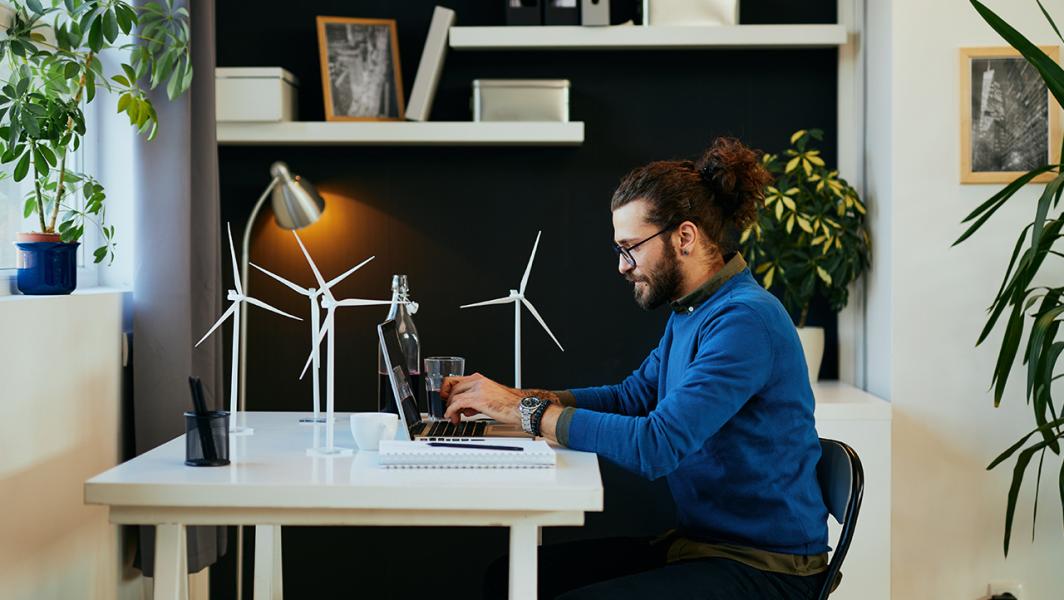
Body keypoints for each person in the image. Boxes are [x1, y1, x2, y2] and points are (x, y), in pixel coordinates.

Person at [441, 137, 830, 599]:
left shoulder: (744, 321)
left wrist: (522, 413)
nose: (622, 266)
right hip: (702, 545)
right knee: (509, 578)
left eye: (631, 247)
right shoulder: (693, 311)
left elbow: (656, 445)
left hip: (765, 567)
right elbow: (631, 398)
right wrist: (517, 398)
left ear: (684, 237)